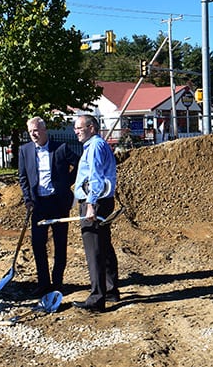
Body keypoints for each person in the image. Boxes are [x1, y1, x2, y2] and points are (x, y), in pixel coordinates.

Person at [18, 117, 78, 297]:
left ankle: (58, 282)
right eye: (30, 132)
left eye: (36, 130)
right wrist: (28, 198)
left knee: (60, 244)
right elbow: (23, 178)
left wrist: (67, 182)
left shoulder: (61, 148)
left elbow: (80, 163)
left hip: (58, 203)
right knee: (38, 244)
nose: (33, 135)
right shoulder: (24, 150)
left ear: (44, 130)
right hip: (38, 204)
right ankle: (43, 283)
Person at [71, 114, 119, 312]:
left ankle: (97, 298)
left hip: (96, 202)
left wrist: (90, 204)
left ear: (91, 128)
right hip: (101, 201)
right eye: (75, 128)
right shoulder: (96, 145)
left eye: (79, 128)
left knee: (95, 251)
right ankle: (110, 290)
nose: (76, 132)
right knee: (104, 246)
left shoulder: (95, 147)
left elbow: (96, 178)